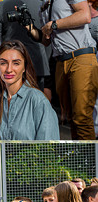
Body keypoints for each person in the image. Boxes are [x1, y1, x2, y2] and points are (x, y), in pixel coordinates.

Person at [39, 0, 98, 140]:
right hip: (61, 61)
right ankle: (78, 157)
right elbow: (45, 40)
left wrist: (54, 24)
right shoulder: (43, 4)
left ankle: (90, 160)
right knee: (71, 117)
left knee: (82, 117)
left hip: (81, 56)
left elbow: (85, 15)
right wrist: (29, 28)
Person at [0, 41, 60, 140]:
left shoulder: (38, 100)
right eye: (3, 63)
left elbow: (48, 150)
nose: (9, 69)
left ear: (24, 67)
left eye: (16, 63)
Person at [0, 0, 51, 100]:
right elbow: (48, 36)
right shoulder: (41, 4)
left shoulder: (0, 7)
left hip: (11, 66)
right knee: (37, 104)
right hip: (38, 64)